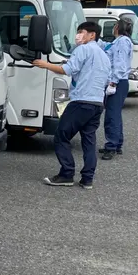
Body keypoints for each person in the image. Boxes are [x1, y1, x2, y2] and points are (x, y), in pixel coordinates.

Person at [32, 21, 110, 189]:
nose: (78, 35)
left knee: (61, 136)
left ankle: (66, 174)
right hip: (97, 103)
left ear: (92, 35)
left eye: (82, 32)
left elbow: (67, 70)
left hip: (81, 101)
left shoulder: (83, 49)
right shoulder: (103, 55)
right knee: (89, 141)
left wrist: (45, 65)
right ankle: (87, 179)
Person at [97, 18, 134, 160]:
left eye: (114, 26)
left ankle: (111, 146)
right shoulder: (117, 42)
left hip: (117, 82)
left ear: (118, 27)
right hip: (119, 82)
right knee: (115, 114)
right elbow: (106, 47)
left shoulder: (123, 41)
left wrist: (113, 82)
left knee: (112, 116)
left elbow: (120, 64)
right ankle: (117, 143)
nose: (113, 28)